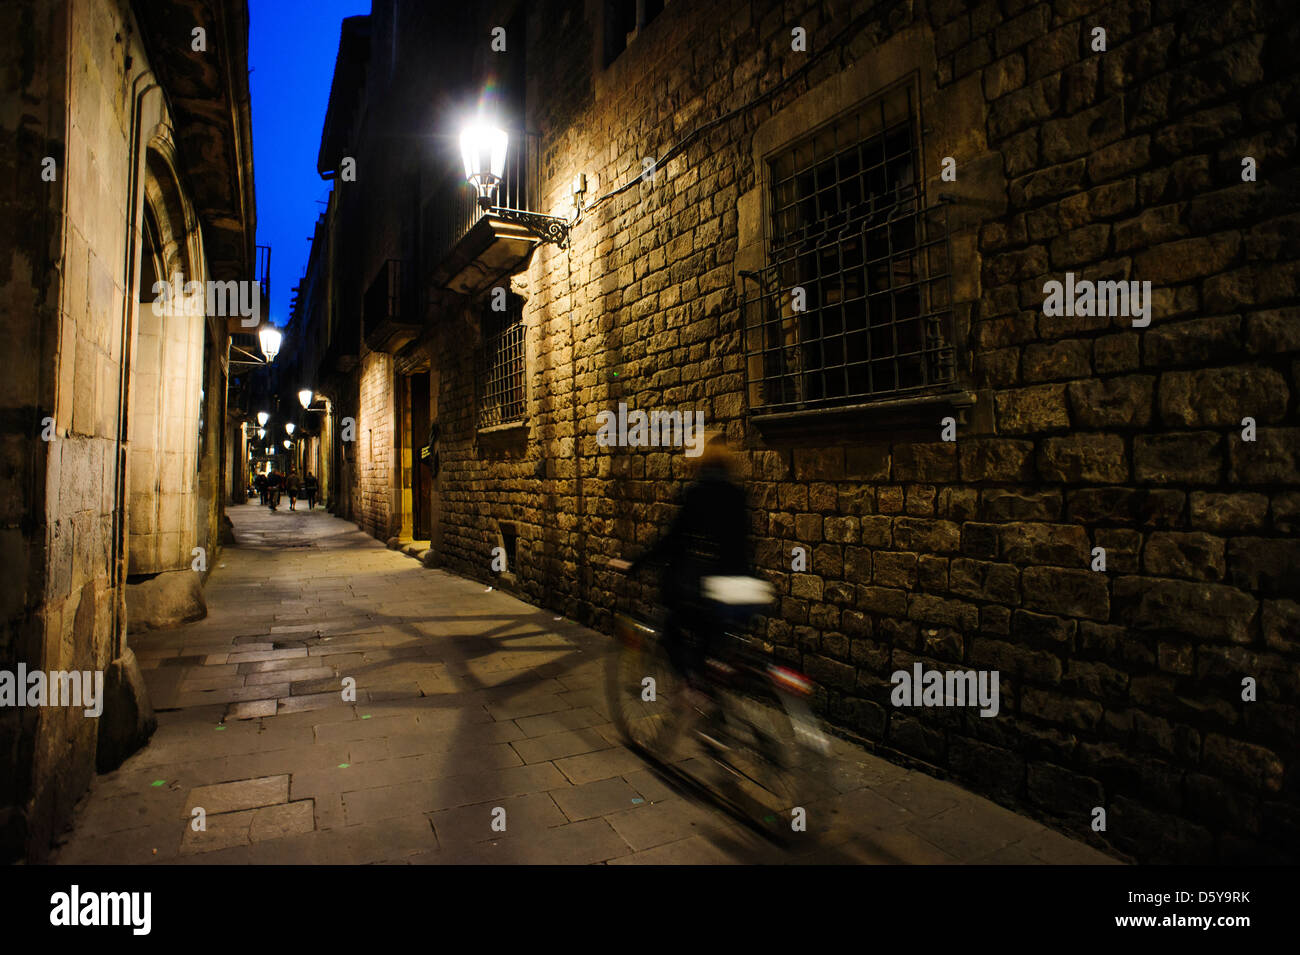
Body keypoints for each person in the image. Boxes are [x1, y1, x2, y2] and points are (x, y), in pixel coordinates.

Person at [612, 433, 751, 705]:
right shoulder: (737, 493)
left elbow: (672, 541)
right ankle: (716, 698)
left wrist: (636, 564)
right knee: (714, 646)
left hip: (710, 589)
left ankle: (693, 687)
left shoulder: (697, 493)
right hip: (743, 587)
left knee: (673, 627)